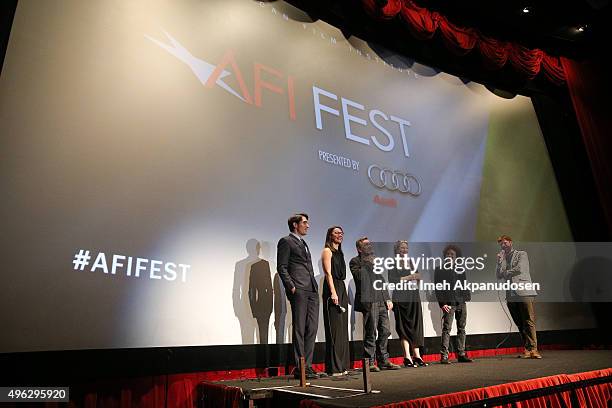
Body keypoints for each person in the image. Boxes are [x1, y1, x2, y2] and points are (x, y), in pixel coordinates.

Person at [277, 213, 322, 378]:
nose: (308, 225)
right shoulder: (286, 241)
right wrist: (292, 287)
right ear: (295, 225)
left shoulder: (303, 243)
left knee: (312, 328)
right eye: (304, 222)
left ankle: (307, 366)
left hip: (311, 289)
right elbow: (281, 267)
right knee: (300, 328)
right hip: (299, 290)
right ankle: (300, 367)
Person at [349, 237, 400, 372]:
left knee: (385, 331)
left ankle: (383, 360)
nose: (370, 247)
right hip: (369, 302)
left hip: (381, 300)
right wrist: (367, 263)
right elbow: (360, 278)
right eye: (366, 245)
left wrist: (388, 298)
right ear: (360, 249)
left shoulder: (374, 261)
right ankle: (370, 362)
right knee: (371, 332)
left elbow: (381, 280)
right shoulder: (355, 262)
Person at [495, 235, 541, 359]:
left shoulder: (521, 254)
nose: (503, 246)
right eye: (501, 244)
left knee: (528, 321)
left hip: (524, 292)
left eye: (505, 243)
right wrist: (500, 261)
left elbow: (520, 269)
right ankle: (527, 349)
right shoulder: (503, 258)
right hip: (510, 294)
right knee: (519, 323)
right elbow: (498, 275)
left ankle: (534, 349)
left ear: (510, 242)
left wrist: (505, 273)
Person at [388, 240, 428, 368]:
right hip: (401, 297)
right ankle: (407, 357)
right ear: (397, 250)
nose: (404, 250)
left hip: (413, 296)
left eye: (406, 248)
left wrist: (417, 278)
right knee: (403, 327)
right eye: (402, 248)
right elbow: (392, 280)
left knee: (416, 326)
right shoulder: (393, 263)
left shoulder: (411, 262)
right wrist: (409, 278)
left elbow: (417, 278)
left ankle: (417, 356)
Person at [434, 244, 473, 364]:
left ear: (456, 257)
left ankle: (461, 354)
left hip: (461, 302)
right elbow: (438, 288)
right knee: (447, 329)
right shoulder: (439, 269)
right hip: (449, 303)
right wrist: (442, 303)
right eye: (448, 254)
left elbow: (464, 284)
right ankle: (444, 355)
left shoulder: (460, 269)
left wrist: (466, 297)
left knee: (462, 328)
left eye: (452, 254)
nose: (449, 256)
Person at [321, 226, 350, 376]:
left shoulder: (340, 253)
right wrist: (333, 292)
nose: (340, 235)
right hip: (333, 289)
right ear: (330, 235)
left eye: (341, 233)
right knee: (335, 329)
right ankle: (333, 368)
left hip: (341, 287)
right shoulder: (327, 251)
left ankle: (342, 366)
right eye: (336, 233)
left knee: (342, 328)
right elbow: (328, 273)